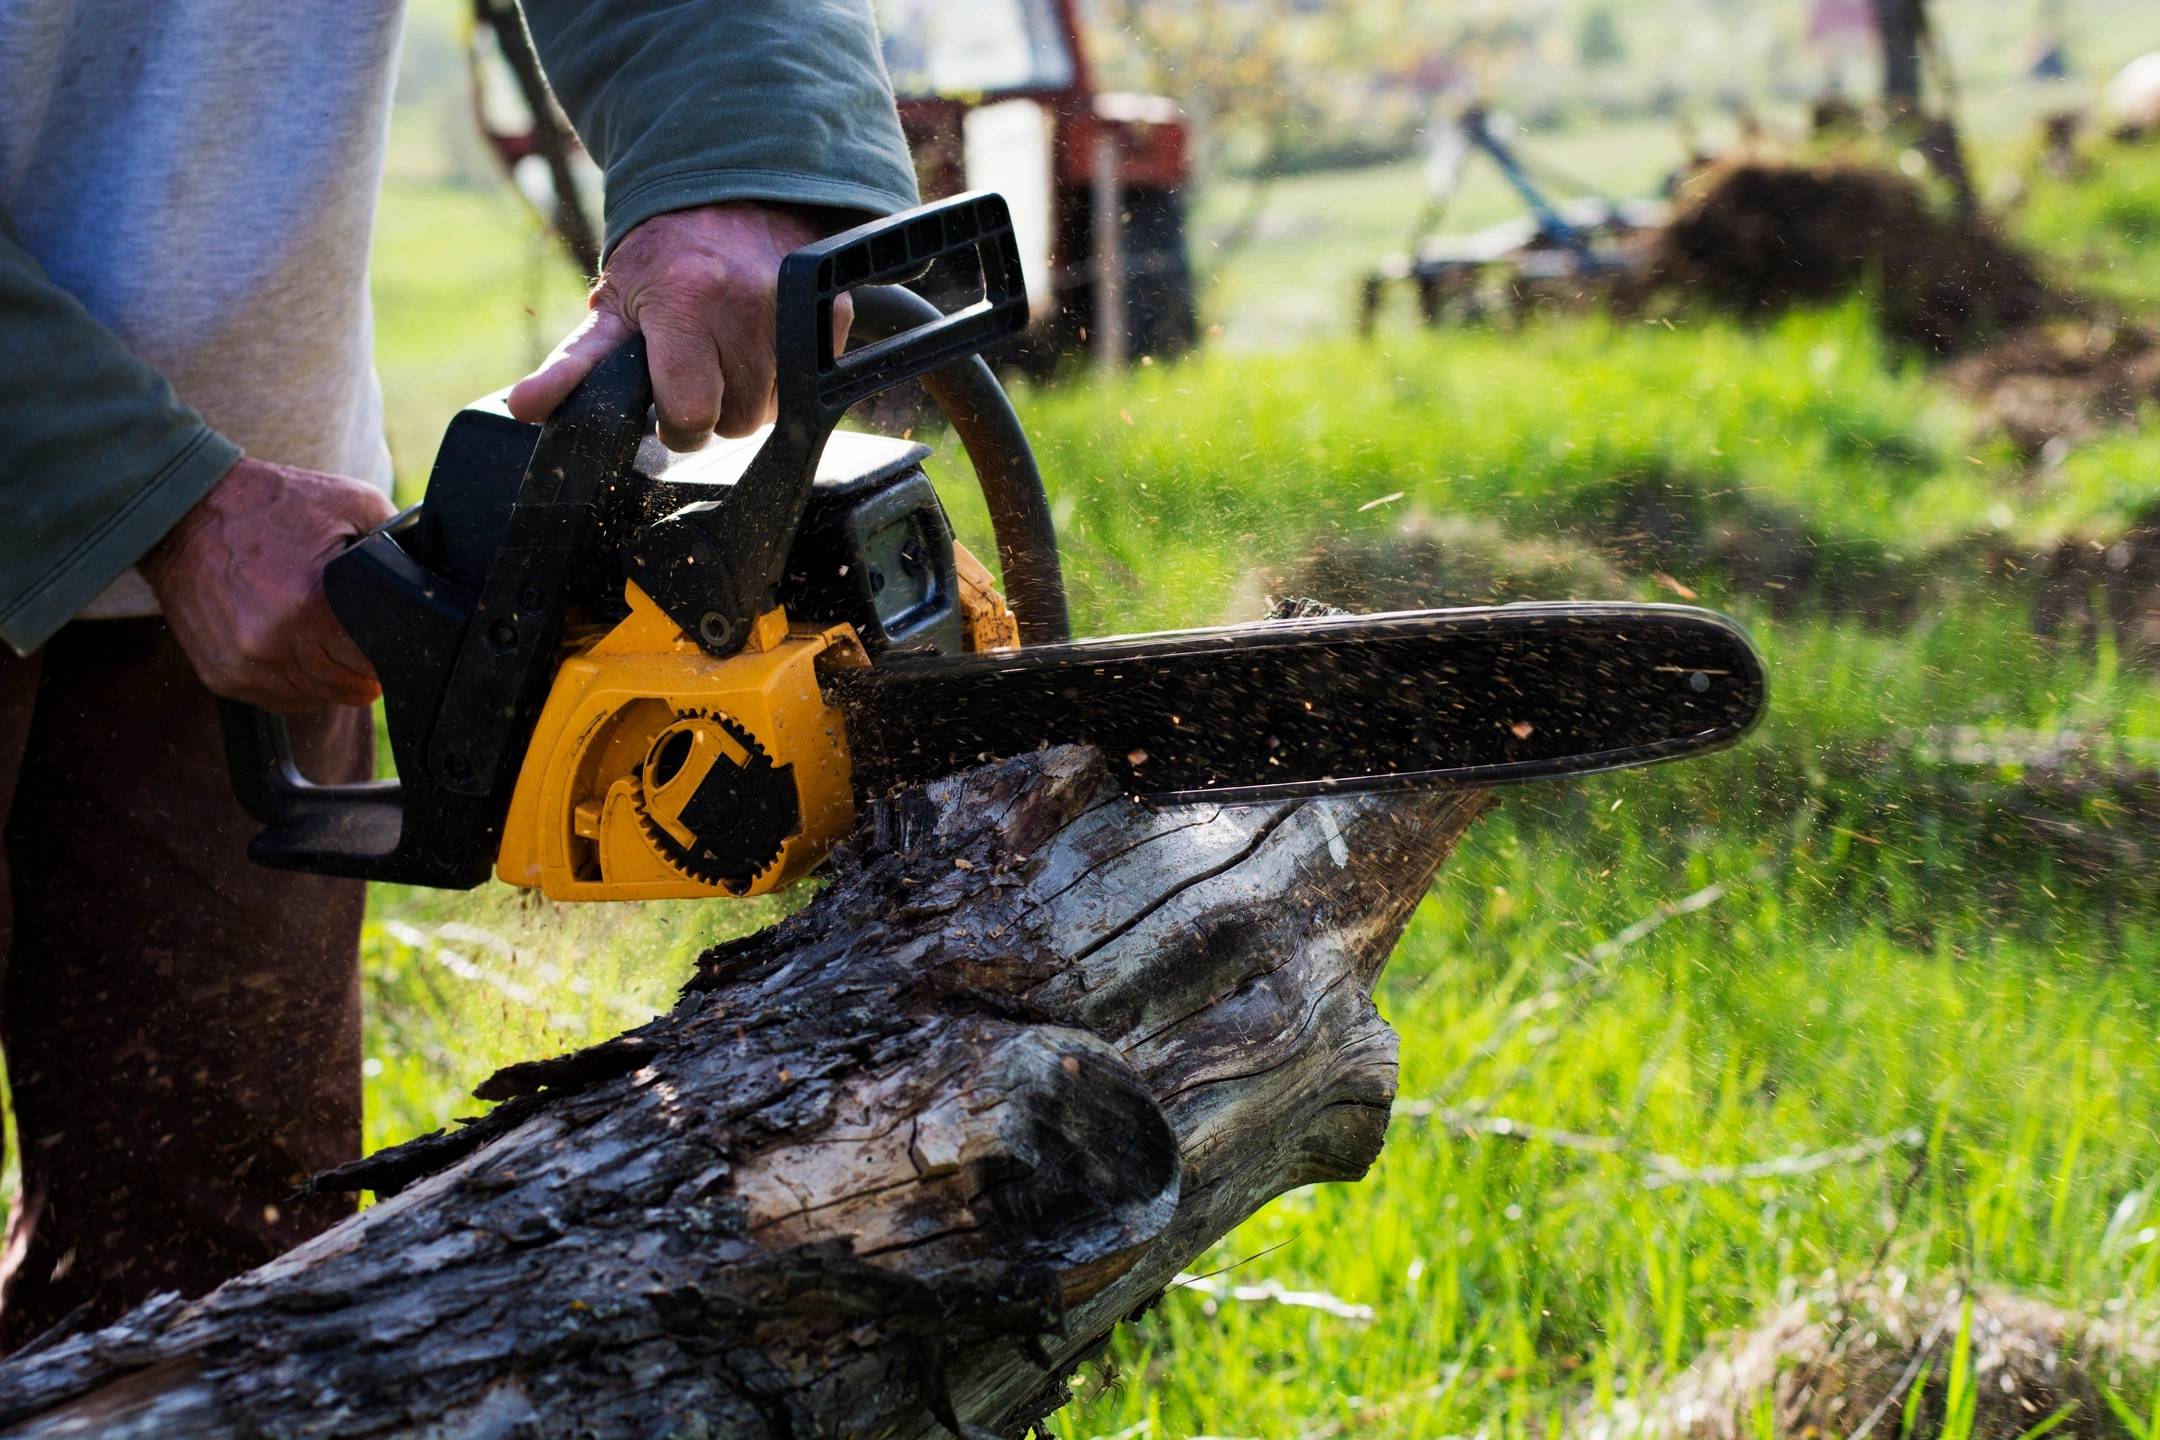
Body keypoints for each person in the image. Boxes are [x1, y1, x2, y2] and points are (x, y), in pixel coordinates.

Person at [0, 0, 917, 1347]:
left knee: (212, 1254)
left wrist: (743, 153)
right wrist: (151, 499)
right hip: (186, 504)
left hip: (267, 531)